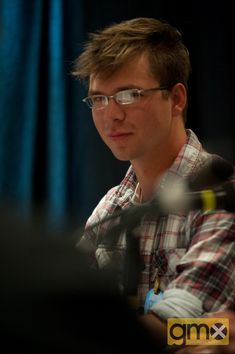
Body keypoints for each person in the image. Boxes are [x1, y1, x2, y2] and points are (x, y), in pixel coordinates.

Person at [72, 17, 235, 351]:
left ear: (176, 99)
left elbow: (176, 327)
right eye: (98, 99)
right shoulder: (114, 205)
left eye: (129, 95)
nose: (111, 114)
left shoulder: (221, 195)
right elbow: (63, 308)